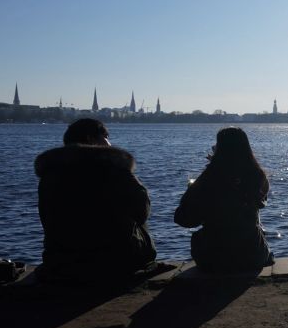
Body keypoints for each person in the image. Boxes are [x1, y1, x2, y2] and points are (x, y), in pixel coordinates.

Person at [35, 118, 156, 282]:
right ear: (91, 139)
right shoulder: (115, 170)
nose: (110, 143)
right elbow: (142, 211)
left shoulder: (50, 175)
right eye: (106, 136)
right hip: (116, 262)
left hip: (61, 263)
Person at [175, 127, 273, 272]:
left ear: (219, 149)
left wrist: (207, 172)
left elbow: (184, 219)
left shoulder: (209, 178)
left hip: (213, 258)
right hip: (252, 255)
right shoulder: (258, 176)